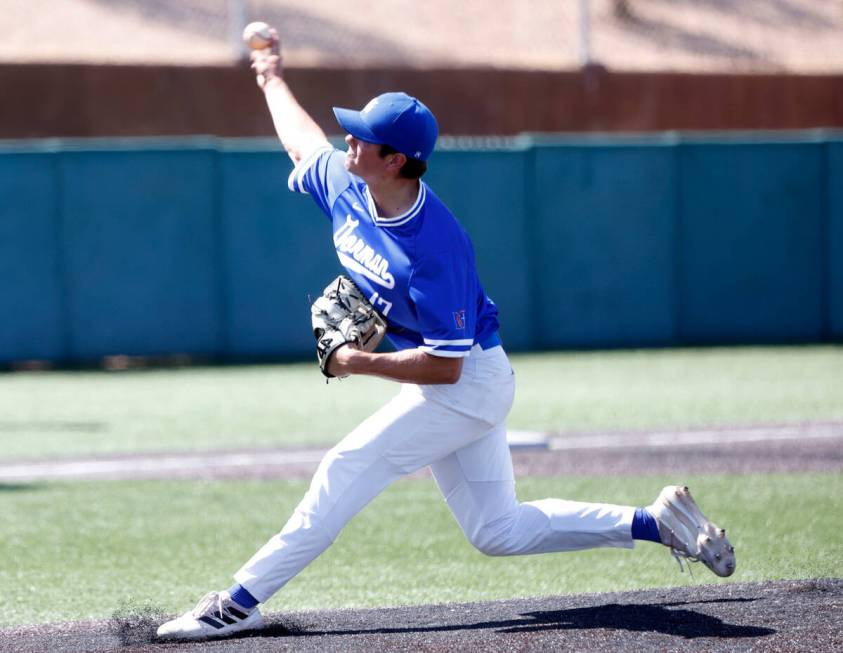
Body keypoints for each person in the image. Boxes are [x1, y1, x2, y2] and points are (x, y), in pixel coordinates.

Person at [157, 28, 735, 641]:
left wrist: (355, 362)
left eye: (364, 137)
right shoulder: (350, 182)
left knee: (345, 467)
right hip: (456, 382)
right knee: (498, 532)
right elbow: (302, 145)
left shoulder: (436, 248)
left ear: (396, 160)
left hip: (468, 381)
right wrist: (269, 74)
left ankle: (238, 602)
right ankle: (656, 522)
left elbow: (445, 367)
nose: (348, 140)